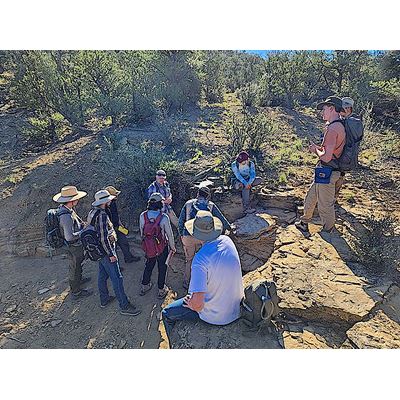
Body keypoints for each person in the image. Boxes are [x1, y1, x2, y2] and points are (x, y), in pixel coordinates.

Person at [161, 210, 244, 348]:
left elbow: (198, 305)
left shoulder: (200, 259)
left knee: (166, 313)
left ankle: (174, 346)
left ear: (195, 233)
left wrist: (191, 303)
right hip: (236, 309)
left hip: (217, 317)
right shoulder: (227, 241)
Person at [295, 96, 346, 235]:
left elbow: (327, 156)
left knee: (325, 206)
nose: (322, 112)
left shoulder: (333, 129)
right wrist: (320, 148)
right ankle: (304, 222)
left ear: (331, 108)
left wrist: (314, 150)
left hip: (328, 172)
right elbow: (332, 151)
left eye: (324, 109)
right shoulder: (340, 125)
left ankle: (328, 233)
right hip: (327, 171)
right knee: (311, 196)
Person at [87, 189, 141, 316]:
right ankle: (124, 305)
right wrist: (111, 254)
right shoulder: (102, 215)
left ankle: (104, 299)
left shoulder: (93, 212)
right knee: (117, 278)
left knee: (102, 275)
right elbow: (103, 237)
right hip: (106, 252)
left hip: (98, 251)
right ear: (105, 201)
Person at [178, 185, 231, 290]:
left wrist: (181, 234)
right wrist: (229, 228)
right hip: (204, 236)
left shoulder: (188, 204)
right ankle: (204, 283)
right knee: (205, 260)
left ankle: (186, 282)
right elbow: (222, 220)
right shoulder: (211, 205)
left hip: (188, 234)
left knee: (189, 260)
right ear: (208, 196)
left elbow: (181, 221)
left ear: (197, 194)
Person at [53, 185, 93, 300]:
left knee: (77, 265)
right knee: (74, 267)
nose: (78, 199)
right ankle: (76, 291)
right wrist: (83, 232)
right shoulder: (66, 216)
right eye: (76, 198)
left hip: (74, 246)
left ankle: (78, 281)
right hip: (72, 246)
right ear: (71, 200)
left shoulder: (67, 210)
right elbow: (69, 237)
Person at [139, 192, 176, 299]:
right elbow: (169, 234)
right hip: (161, 247)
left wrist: (146, 244)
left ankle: (145, 285)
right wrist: (172, 247)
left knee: (149, 264)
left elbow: (142, 232)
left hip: (149, 246)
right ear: (160, 204)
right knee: (162, 267)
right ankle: (161, 289)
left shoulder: (143, 215)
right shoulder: (163, 217)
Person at [104, 185, 140, 264]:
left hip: (117, 227)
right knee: (113, 247)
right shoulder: (104, 207)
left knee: (124, 242)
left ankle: (128, 258)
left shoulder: (113, 203)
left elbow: (116, 215)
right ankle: (114, 265)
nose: (117, 196)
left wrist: (120, 224)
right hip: (110, 229)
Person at [334, 96, 355, 200]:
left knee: (338, 176)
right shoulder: (348, 122)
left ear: (350, 109)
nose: (344, 110)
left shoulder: (349, 123)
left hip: (343, 154)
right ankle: (333, 198)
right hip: (344, 155)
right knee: (339, 175)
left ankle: (333, 199)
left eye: (346, 108)